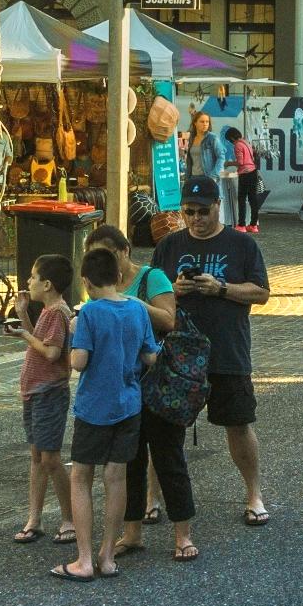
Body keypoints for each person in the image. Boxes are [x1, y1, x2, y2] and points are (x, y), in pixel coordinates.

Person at [156, 182, 276, 541]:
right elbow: (148, 293)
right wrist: (172, 292)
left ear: (218, 206)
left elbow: (262, 293)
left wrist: (220, 288)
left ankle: (254, 494)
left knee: (239, 425)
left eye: (202, 211)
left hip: (226, 351)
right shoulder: (169, 245)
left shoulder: (241, 244)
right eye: (188, 212)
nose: (195, 219)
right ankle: (152, 498)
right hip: (177, 353)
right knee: (161, 430)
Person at [56, 247, 156, 582]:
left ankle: (83, 559)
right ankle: (108, 556)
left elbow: (79, 362)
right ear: (118, 277)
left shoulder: (91, 314)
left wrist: (74, 335)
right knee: (117, 478)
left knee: (81, 477)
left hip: (95, 407)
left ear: (85, 282)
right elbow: (151, 357)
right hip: (129, 403)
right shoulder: (138, 311)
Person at [96, 228, 181, 564]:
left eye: (108, 254)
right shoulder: (101, 286)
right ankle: (131, 533)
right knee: (128, 460)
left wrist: (131, 302)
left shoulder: (151, 277)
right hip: (123, 385)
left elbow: (168, 319)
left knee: (168, 457)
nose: (104, 262)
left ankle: (182, 535)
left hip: (157, 381)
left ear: (125, 250)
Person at [9, 253, 77, 544]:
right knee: (37, 456)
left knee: (50, 458)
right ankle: (34, 518)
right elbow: (43, 342)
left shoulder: (56, 312)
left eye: (33, 278)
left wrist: (24, 334)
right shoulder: (50, 312)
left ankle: (69, 518)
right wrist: (23, 314)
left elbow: (50, 353)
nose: (28, 282)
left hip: (49, 392)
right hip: (37, 392)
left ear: (47, 284)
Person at [228, 127, 263, 233]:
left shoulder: (238, 145)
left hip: (245, 174)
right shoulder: (246, 142)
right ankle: (253, 225)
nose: (231, 142)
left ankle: (241, 225)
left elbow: (240, 162)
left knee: (242, 199)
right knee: (253, 199)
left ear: (232, 138)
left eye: (230, 140)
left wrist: (228, 163)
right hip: (253, 171)